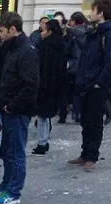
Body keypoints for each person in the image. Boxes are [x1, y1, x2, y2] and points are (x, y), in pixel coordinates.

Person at [0, 12, 39, 204]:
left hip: (17, 110)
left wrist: (12, 105)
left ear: (12, 29)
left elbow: (30, 84)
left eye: (1, 30)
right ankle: (6, 185)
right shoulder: (12, 49)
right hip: (8, 108)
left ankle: (14, 191)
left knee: (15, 151)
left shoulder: (26, 51)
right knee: (7, 150)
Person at [67, 0, 111, 172]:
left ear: (101, 13)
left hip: (96, 86)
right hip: (85, 83)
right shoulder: (94, 32)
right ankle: (84, 153)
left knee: (95, 121)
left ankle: (91, 156)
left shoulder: (110, 34)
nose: (90, 13)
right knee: (85, 121)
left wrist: (99, 83)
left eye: (93, 10)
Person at [32, 19, 67, 155]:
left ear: (50, 31)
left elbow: (41, 67)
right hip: (56, 84)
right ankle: (44, 141)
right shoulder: (61, 44)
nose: (42, 33)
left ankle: (42, 143)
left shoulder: (45, 46)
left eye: (44, 30)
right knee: (45, 116)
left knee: (42, 115)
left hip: (44, 85)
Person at [60, 11, 87, 123]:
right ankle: (76, 113)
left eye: (71, 20)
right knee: (76, 92)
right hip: (79, 66)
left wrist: (63, 26)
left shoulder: (77, 32)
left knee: (69, 91)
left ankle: (68, 114)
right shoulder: (85, 31)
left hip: (74, 66)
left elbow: (70, 50)